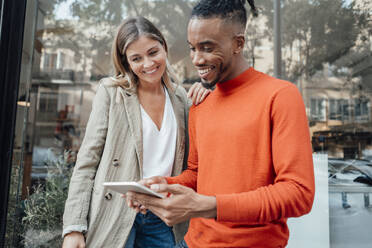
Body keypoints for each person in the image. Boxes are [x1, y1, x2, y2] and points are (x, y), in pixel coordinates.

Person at [126, 0, 316, 247]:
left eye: (206, 48)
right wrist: (162, 185)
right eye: (192, 48)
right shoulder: (200, 105)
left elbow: (298, 194)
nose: (196, 59)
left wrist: (211, 206)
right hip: (192, 243)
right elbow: (197, 174)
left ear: (239, 43)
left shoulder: (280, 96)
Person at [62, 16, 210, 248]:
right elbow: (87, 162)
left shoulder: (181, 98)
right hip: (115, 213)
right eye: (136, 58)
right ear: (126, 62)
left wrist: (207, 90)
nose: (148, 63)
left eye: (153, 52)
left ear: (164, 47)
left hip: (163, 216)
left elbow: (194, 163)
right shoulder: (111, 93)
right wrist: (73, 227)